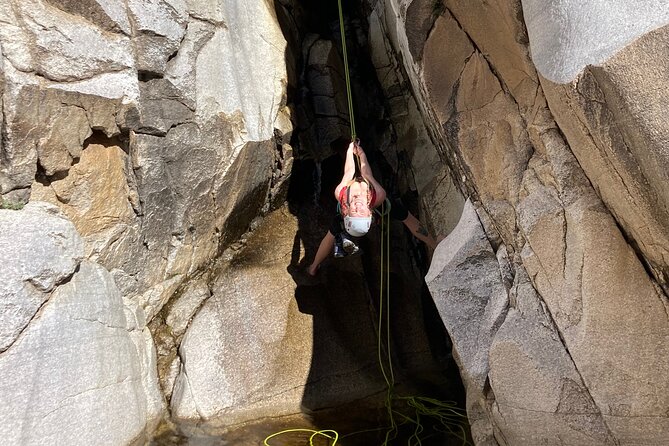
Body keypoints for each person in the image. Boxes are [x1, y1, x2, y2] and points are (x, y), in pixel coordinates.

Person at [307, 140, 438, 276]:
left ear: (346, 211)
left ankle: (315, 265)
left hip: (353, 210)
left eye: (354, 211)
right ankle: (435, 244)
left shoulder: (341, 193)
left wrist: (349, 150)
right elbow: (367, 175)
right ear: (369, 212)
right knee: (407, 217)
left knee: (331, 234)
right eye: (361, 211)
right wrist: (361, 154)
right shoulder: (379, 195)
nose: (358, 206)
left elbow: (349, 172)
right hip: (380, 204)